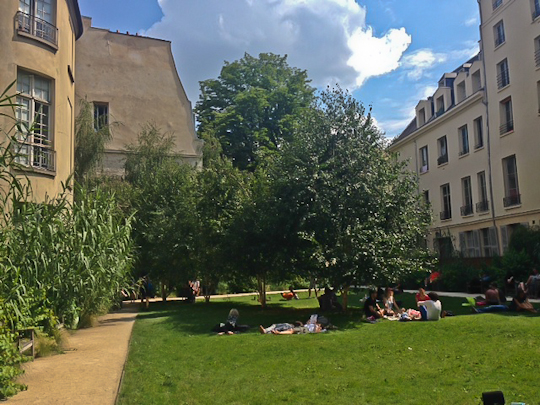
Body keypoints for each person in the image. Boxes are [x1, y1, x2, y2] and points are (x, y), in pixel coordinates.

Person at [259, 314, 326, 334]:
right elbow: (306, 324)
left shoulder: (319, 327)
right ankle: (266, 331)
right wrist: (301, 323)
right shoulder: (310, 323)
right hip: (302, 327)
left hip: (305, 329)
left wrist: (318, 327)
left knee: (291, 330)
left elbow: (316, 332)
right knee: (278, 325)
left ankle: (278, 333)